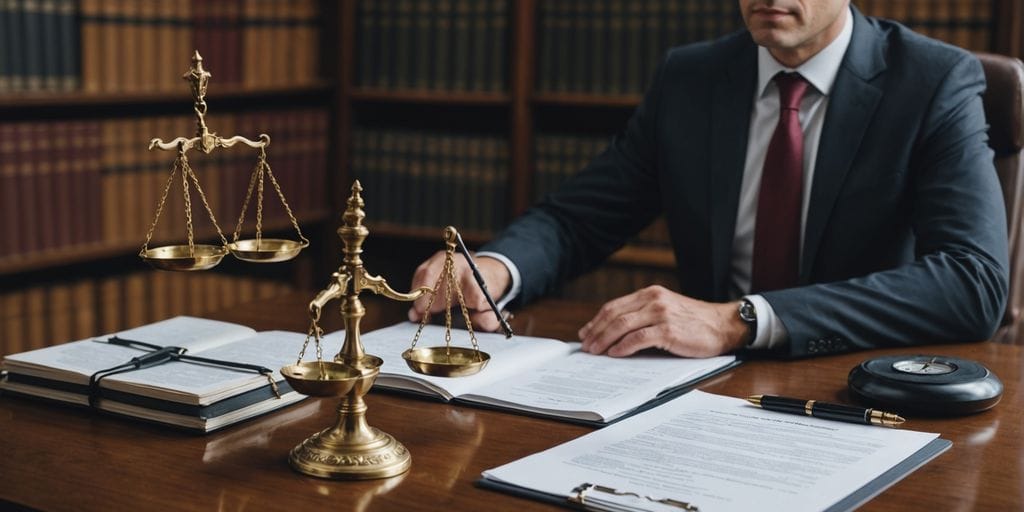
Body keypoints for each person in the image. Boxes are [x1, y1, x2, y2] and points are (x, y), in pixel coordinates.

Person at [408, 0, 1009, 358]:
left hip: (856, 390)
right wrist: (494, 268)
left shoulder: (933, 81)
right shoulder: (691, 77)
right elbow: (578, 219)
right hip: (698, 387)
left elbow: (971, 282)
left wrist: (737, 319)